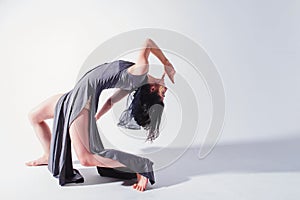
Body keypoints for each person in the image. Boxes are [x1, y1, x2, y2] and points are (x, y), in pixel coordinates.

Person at [26, 38, 176, 192]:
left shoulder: (138, 77)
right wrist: (167, 64)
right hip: (76, 94)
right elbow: (148, 42)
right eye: (163, 96)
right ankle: (48, 154)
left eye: (162, 96)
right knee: (34, 116)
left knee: (86, 159)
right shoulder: (140, 74)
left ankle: (141, 165)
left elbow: (111, 101)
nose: (165, 95)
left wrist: (92, 116)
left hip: (83, 100)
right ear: (151, 89)